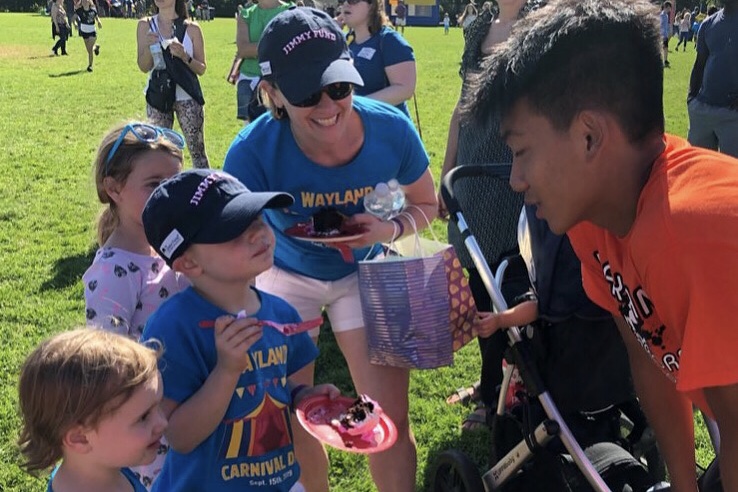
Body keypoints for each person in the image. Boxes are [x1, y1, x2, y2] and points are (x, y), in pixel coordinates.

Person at [463, 0, 738, 489]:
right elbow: (647, 354)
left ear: (589, 136)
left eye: (522, 152)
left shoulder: (698, 232)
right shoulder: (594, 218)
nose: (516, 180)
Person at [223, 8, 437, 491]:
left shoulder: (389, 129)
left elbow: (428, 203)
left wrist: (387, 230)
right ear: (272, 94)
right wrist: (258, 246)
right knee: (293, 414)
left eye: (339, 86)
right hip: (284, 275)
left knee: (385, 421)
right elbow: (227, 244)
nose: (327, 105)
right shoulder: (251, 151)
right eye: (305, 93)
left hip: (365, 275)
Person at [140, 169, 340, 491]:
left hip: (278, 481)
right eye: (234, 231)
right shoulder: (172, 327)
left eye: (258, 220)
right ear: (189, 263)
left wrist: (304, 397)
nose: (258, 234)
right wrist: (226, 371)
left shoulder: (280, 311)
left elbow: (273, 388)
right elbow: (179, 436)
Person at [437, 0, 539, 431]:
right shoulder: (478, 26)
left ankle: (506, 388)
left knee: (509, 282)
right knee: (480, 281)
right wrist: (447, 167)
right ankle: (489, 383)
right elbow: (463, 107)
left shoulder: (540, 22)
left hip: (513, 165)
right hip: (473, 172)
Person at [82, 122, 188, 488]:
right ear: (113, 188)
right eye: (155, 185)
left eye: (175, 182)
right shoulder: (114, 270)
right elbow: (108, 362)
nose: (169, 194)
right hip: (153, 421)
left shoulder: (170, 246)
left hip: (193, 404)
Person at [17, 328, 167, 492]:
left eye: (158, 406)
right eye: (144, 417)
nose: (163, 422)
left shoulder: (106, 467)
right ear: (80, 438)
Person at [136, 0, 210, 169]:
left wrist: (185, 56)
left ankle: (206, 191)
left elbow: (202, 68)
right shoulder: (145, 25)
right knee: (158, 154)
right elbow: (143, 66)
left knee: (197, 153)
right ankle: (167, 193)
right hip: (158, 96)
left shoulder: (192, 28)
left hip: (187, 97)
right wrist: (148, 46)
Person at [343, 0, 416, 116]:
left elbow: (405, 89)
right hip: (356, 129)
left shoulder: (389, 40)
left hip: (388, 128)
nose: (346, 4)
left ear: (372, 5)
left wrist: (356, 105)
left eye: (353, 0)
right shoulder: (343, 42)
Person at [687, 0, 738, 158]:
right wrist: (691, 98)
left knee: (732, 175)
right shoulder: (708, 24)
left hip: (732, 114)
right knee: (698, 169)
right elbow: (699, 64)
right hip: (703, 110)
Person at [234, 0, 290, 122]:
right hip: (250, 80)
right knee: (253, 130)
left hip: (280, 79)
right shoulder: (246, 14)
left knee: (282, 125)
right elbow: (243, 49)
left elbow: (292, 46)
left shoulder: (289, 11)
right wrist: (275, 46)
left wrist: (255, 48)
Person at [73, 0, 102, 72]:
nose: (85, 2)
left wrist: (99, 22)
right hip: (84, 32)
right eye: (83, 1)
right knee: (89, 50)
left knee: (90, 50)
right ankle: (96, 47)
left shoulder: (93, 10)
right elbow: (73, 18)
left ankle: (90, 66)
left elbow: (97, 17)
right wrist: (75, 24)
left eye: (86, 1)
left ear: (89, 2)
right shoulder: (79, 11)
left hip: (92, 32)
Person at [659, 1, 672, 67]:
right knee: (662, 48)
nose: (670, 10)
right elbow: (660, 24)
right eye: (669, 8)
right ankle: (662, 60)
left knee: (666, 47)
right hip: (662, 34)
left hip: (665, 34)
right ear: (666, 7)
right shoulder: (661, 15)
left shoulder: (666, 15)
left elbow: (666, 25)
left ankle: (665, 60)